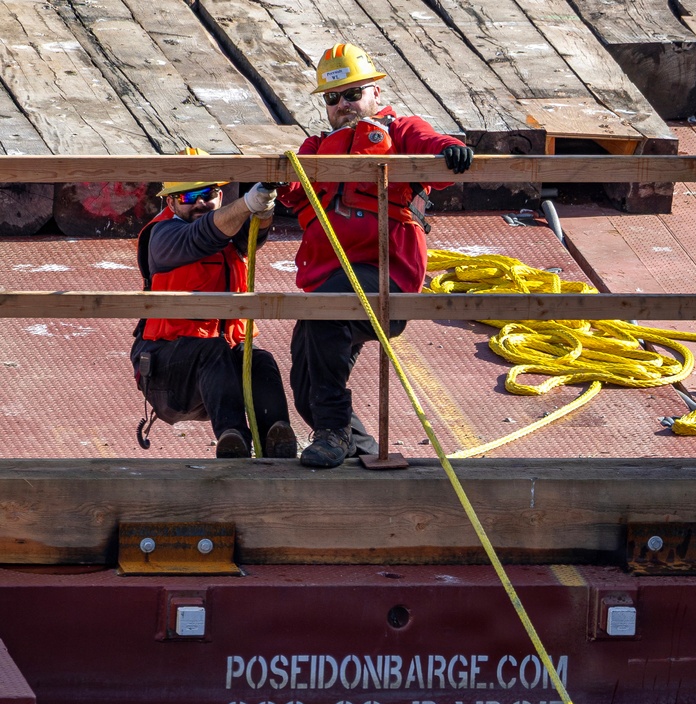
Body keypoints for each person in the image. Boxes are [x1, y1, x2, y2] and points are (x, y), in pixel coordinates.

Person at [278, 44, 475, 470]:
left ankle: (331, 433)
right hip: (325, 284)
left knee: (326, 311)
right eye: (333, 99)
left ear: (376, 95)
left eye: (353, 94)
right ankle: (361, 449)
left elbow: (429, 143)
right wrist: (266, 184)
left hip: (385, 278)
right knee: (305, 378)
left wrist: (450, 149)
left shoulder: (399, 131)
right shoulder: (314, 148)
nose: (344, 105)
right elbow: (289, 189)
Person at [133, 149, 296, 459]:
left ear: (220, 196)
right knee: (213, 349)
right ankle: (233, 439)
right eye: (188, 196)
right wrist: (248, 203)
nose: (199, 203)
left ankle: (277, 437)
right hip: (167, 372)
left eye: (207, 193)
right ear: (170, 203)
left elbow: (252, 234)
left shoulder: (229, 235)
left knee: (259, 359)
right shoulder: (163, 237)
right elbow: (201, 236)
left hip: (215, 371)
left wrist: (265, 204)